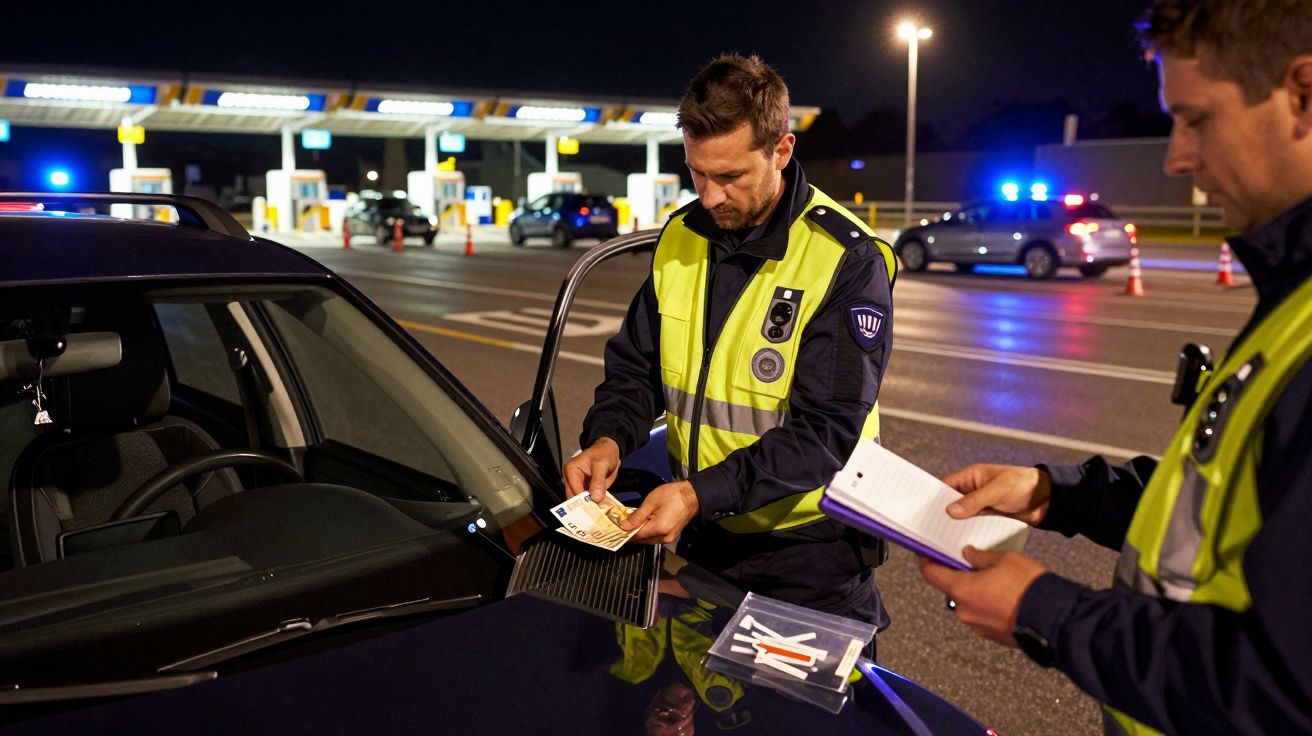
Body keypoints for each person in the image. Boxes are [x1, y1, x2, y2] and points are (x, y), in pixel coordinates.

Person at [917, 1, 1312, 733]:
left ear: (1303, 94)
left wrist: (1045, 611)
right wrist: (1053, 493)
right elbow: (1217, 507)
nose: (1177, 158)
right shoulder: (1293, 297)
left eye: (1196, 119)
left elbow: (1286, 694)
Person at [562, 54, 898, 628]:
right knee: (705, 705)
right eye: (698, 173)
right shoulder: (683, 236)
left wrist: (697, 494)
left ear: (782, 152)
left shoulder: (845, 258)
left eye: (731, 177)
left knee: (803, 719)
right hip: (704, 537)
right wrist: (609, 437)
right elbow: (637, 367)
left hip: (805, 555)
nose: (711, 196)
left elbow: (826, 432)